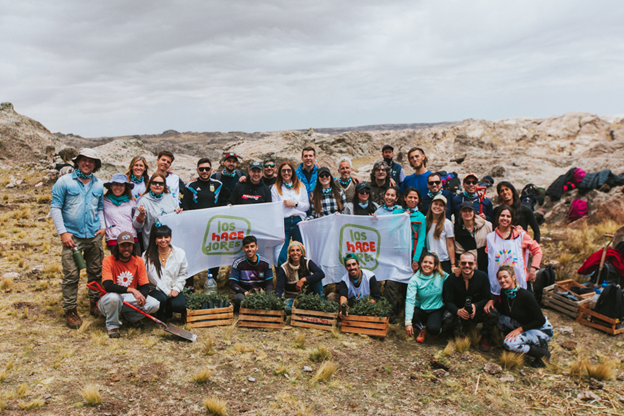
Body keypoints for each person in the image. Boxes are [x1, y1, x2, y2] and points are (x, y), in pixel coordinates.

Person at [50, 148, 106, 329]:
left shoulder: (98, 184)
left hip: (94, 235)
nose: (87, 163)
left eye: (91, 161)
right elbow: (55, 207)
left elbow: (100, 209)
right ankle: (70, 310)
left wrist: (103, 226)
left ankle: (94, 304)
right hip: (72, 237)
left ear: (95, 164)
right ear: (78, 161)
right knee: (72, 275)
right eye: (84, 160)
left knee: (96, 272)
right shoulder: (64, 181)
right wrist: (63, 233)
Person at [485, 266, 553, 367]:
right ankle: (513, 338)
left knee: (509, 344)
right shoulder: (504, 292)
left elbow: (540, 320)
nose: (502, 280)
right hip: (522, 324)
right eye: (500, 278)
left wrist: (520, 330)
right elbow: (506, 310)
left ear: (513, 277)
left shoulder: (525, 295)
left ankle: (542, 352)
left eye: (505, 277)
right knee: (498, 318)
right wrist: (492, 301)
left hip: (540, 328)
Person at [98, 231, 160, 338]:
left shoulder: (138, 260)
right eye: (123, 246)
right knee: (114, 298)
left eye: (129, 245)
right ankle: (112, 326)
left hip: (128, 299)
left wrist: (142, 297)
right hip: (110, 298)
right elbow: (108, 286)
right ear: (117, 246)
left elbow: (144, 285)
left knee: (155, 304)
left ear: (133, 246)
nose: (126, 248)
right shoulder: (108, 260)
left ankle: (131, 317)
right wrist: (132, 290)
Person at [181, 158, 231, 289]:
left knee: (215, 255)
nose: (204, 171)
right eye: (201, 169)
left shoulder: (218, 184)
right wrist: (191, 227)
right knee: (190, 255)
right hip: (194, 229)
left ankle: (212, 283)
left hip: (213, 228)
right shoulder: (190, 186)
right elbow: (185, 207)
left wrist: (228, 205)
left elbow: (227, 197)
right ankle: (189, 284)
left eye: (207, 169)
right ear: (197, 170)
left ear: (211, 170)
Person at [385, 187, 427, 323]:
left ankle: (407, 315)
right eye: (410, 197)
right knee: (391, 284)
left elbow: (421, 240)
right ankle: (390, 314)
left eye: (415, 198)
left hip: (412, 254)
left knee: (409, 285)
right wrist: (403, 219)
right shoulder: (397, 213)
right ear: (405, 198)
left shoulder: (421, 217)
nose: (412, 200)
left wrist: (416, 260)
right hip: (397, 254)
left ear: (418, 200)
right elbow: (390, 231)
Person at [485, 205, 542, 295]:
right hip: (498, 283)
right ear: (498, 217)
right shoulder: (490, 237)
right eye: (502, 215)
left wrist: (533, 269)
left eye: (508, 216)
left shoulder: (520, 235)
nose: (505, 218)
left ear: (512, 219)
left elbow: (537, 250)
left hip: (518, 281)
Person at [443, 252, 495, 351]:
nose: (467, 266)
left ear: (475, 264)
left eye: (470, 263)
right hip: (459, 311)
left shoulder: (482, 276)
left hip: (476, 311)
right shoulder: (452, 279)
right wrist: (457, 311)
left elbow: (487, 297)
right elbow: (448, 301)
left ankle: (485, 336)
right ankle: (459, 333)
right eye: (464, 263)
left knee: (492, 313)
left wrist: (476, 306)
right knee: (447, 316)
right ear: (459, 263)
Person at [142, 223, 188, 322]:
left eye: (166, 237)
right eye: (159, 237)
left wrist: (176, 288)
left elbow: (183, 274)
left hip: (172, 288)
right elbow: (150, 277)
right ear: (155, 239)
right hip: (155, 289)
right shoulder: (147, 255)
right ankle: (160, 312)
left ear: (170, 237)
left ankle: (168, 309)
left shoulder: (179, 253)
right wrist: (167, 293)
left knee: (179, 305)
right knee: (161, 298)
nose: (163, 240)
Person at [271, 161, 310, 265]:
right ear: (280, 173)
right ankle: (283, 278)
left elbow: (306, 206)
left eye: (289, 170)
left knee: (301, 251)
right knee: (281, 254)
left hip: (298, 221)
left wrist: (295, 204)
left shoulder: (300, 186)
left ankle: (302, 276)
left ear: (293, 172)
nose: (286, 173)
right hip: (284, 222)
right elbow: (275, 210)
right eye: (284, 170)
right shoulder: (275, 188)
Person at [405, 252, 448, 343]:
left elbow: (454, 280)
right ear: (421, 264)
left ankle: (436, 325)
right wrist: (408, 323)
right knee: (410, 315)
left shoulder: (441, 275)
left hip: (435, 309)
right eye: (425, 262)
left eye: (430, 263)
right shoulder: (414, 280)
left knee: (434, 331)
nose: (427, 265)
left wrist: (458, 271)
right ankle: (421, 329)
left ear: (435, 266)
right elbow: (409, 300)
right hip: (420, 309)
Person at [133, 172, 182, 250]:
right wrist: (141, 215)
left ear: (164, 185)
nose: (157, 185)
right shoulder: (144, 201)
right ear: (150, 184)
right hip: (152, 244)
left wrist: (178, 214)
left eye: (161, 183)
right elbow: (136, 225)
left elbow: (178, 223)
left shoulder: (170, 198)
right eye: (154, 183)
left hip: (169, 243)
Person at [275, 242, 326, 312]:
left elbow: (321, 274)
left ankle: (322, 306)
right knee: (286, 307)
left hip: (307, 296)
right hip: (292, 298)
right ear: (289, 254)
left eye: (298, 250)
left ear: (302, 253)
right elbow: (279, 287)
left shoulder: (307, 262)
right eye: (292, 250)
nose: (295, 253)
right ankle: (306, 308)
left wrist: (304, 279)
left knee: (317, 280)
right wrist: (277, 300)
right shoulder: (283, 268)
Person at [229, 236, 274, 310]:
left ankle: (250, 307)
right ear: (243, 249)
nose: (249, 249)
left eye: (252, 246)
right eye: (247, 247)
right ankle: (255, 308)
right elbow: (232, 284)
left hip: (261, 294)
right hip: (245, 294)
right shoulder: (238, 263)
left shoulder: (266, 262)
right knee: (238, 298)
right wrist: (245, 292)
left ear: (257, 247)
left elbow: (269, 283)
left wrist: (267, 296)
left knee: (272, 300)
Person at [336, 254, 381, 318]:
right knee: (332, 297)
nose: (352, 267)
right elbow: (343, 296)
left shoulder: (370, 276)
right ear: (346, 267)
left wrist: (365, 307)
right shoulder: (344, 280)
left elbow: (376, 296)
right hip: (352, 302)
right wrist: (343, 309)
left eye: (354, 264)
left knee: (378, 305)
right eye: (348, 265)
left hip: (366, 302)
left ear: (358, 264)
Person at [454, 201, 492, 272]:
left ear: (474, 212)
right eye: (464, 211)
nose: (467, 213)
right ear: (461, 213)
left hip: (488, 265)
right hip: (471, 269)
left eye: (470, 211)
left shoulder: (487, 225)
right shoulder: (459, 232)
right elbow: (460, 253)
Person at [103, 173, 137, 250]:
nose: (118, 187)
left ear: (125, 187)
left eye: (121, 185)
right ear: (111, 186)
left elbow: (136, 218)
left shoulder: (131, 201)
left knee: (135, 261)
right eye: (115, 184)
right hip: (113, 238)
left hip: (131, 237)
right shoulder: (104, 201)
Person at [425, 195, 457, 275]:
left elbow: (450, 245)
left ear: (444, 209)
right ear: (431, 205)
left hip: (443, 260)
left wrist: (453, 264)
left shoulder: (447, 223)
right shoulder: (425, 220)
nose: (437, 207)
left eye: (441, 205)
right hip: (429, 260)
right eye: (436, 204)